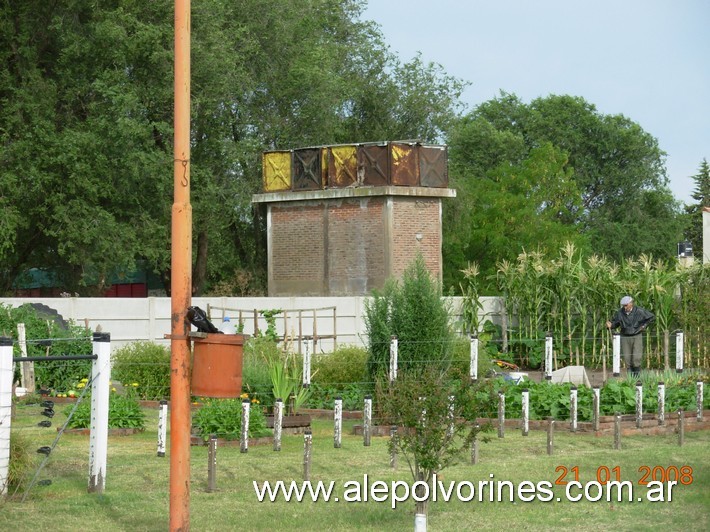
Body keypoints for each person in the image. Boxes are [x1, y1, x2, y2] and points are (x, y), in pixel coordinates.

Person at [606, 296, 655, 378]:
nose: (625, 307)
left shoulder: (639, 311)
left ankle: (637, 378)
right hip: (625, 336)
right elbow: (615, 323)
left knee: (636, 357)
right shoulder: (620, 313)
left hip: (637, 335)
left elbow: (651, 317)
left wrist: (644, 326)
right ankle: (631, 379)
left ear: (631, 303)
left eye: (626, 305)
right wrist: (610, 325)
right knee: (627, 358)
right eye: (623, 305)